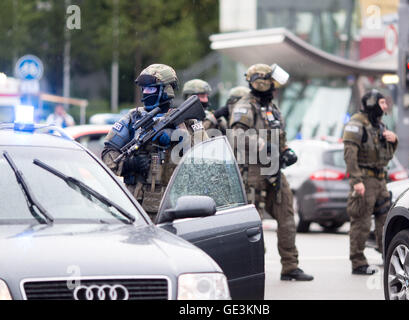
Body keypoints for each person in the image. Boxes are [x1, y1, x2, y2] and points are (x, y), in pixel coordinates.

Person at [228, 63, 313, 281]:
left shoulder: (271, 107)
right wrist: (261, 146)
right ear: (261, 82)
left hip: (274, 169)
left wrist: (285, 151)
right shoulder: (245, 106)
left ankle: (290, 267)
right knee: (252, 223)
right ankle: (252, 269)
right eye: (271, 82)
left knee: (286, 216)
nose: (275, 87)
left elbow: (279, 137)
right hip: (252, 172)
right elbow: (236, 136)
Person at [101, 64, 206, 222]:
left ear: (166, 90)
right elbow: (107, 156)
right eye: (143, 89)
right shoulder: (133, 119)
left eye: (150, 89)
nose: (145, 93)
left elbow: (206, 156)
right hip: (138, 205)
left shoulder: (187, 120)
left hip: (177, 204)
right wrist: (130, 164)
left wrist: (176, 135)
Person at [343, 89, 398, 275]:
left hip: (380, 180)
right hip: (364, 180)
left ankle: (389, 259)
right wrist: (356, 180)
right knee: (361, 222)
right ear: (373, 103)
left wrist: (394, 140)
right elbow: (350, 155)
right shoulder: (356, 124)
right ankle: (358, 263)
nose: (385, 107)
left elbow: (386, 155)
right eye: (382, 103)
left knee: (385, 222)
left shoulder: (379, 126)